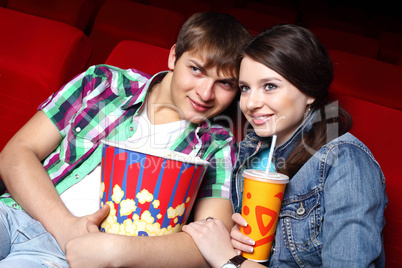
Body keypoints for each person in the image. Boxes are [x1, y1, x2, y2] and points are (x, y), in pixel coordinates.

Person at [0, 12, 253, 267]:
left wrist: (114, 250)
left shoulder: (217, 144)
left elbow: (209, 244)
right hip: (14, 212)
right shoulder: (104, 83)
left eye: (225, 84)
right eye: (196, 70)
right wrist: (65, 226)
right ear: (174, 57)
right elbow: (16, 152)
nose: (205, 93)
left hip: (71, 258)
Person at [182, 24, 387, 267]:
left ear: (310, 91)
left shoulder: (345, 161)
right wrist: (236, 242)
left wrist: (229, 260)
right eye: (246, 88)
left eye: (270, 86)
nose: (251, 103)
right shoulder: (250, 150)